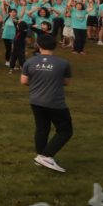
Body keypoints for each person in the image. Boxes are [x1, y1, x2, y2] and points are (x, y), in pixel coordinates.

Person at [21, 34, 73, 173]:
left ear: (38, 45)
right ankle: (46, 155)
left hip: (36, 100)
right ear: (55, 46)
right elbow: (66, 82)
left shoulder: (30, 62)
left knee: (42, 127)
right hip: (55, 101)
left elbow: (24, 81)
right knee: (65, 130)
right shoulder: (63, 63)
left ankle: (40, 156)